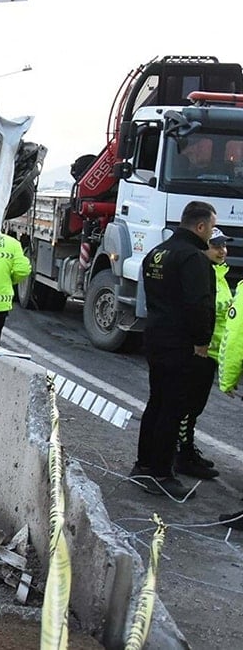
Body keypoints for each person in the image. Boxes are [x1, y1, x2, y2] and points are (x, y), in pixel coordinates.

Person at [130, 201, 217, 498]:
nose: (212, 233)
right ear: (201, 226)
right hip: (180, 342)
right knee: (173, 408)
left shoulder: (158, 252)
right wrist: (202, 340)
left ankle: (143, 465)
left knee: (157, 402)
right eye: (212, 227)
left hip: (156, 336)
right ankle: (161, 474)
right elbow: (198, 304)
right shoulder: (193, 258)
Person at [174, 227, 230, 479]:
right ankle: (182, 456)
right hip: (199, 352)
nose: (222, 251)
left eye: (224, 246)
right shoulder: (201, 274)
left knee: (195, 407)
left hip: (213, 353)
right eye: (216, 246)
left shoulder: (220, 274)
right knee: (188, 407)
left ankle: (187, 450)